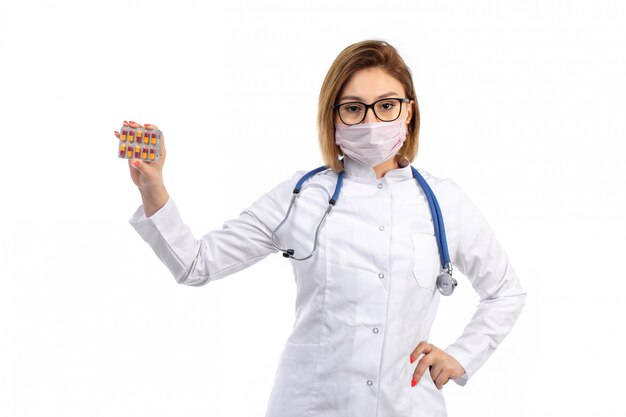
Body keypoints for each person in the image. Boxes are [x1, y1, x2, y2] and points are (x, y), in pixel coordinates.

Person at [115, 39, 526, 417]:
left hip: (408, 406)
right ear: (334, 117)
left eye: (386, 105)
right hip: (311, 406)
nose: (370, 121)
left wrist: (462, 356)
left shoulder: (445, 202)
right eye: (353, 108)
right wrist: (154, 188)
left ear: (409, 110)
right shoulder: (300, 196)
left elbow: (505, 292)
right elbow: (195, 265)